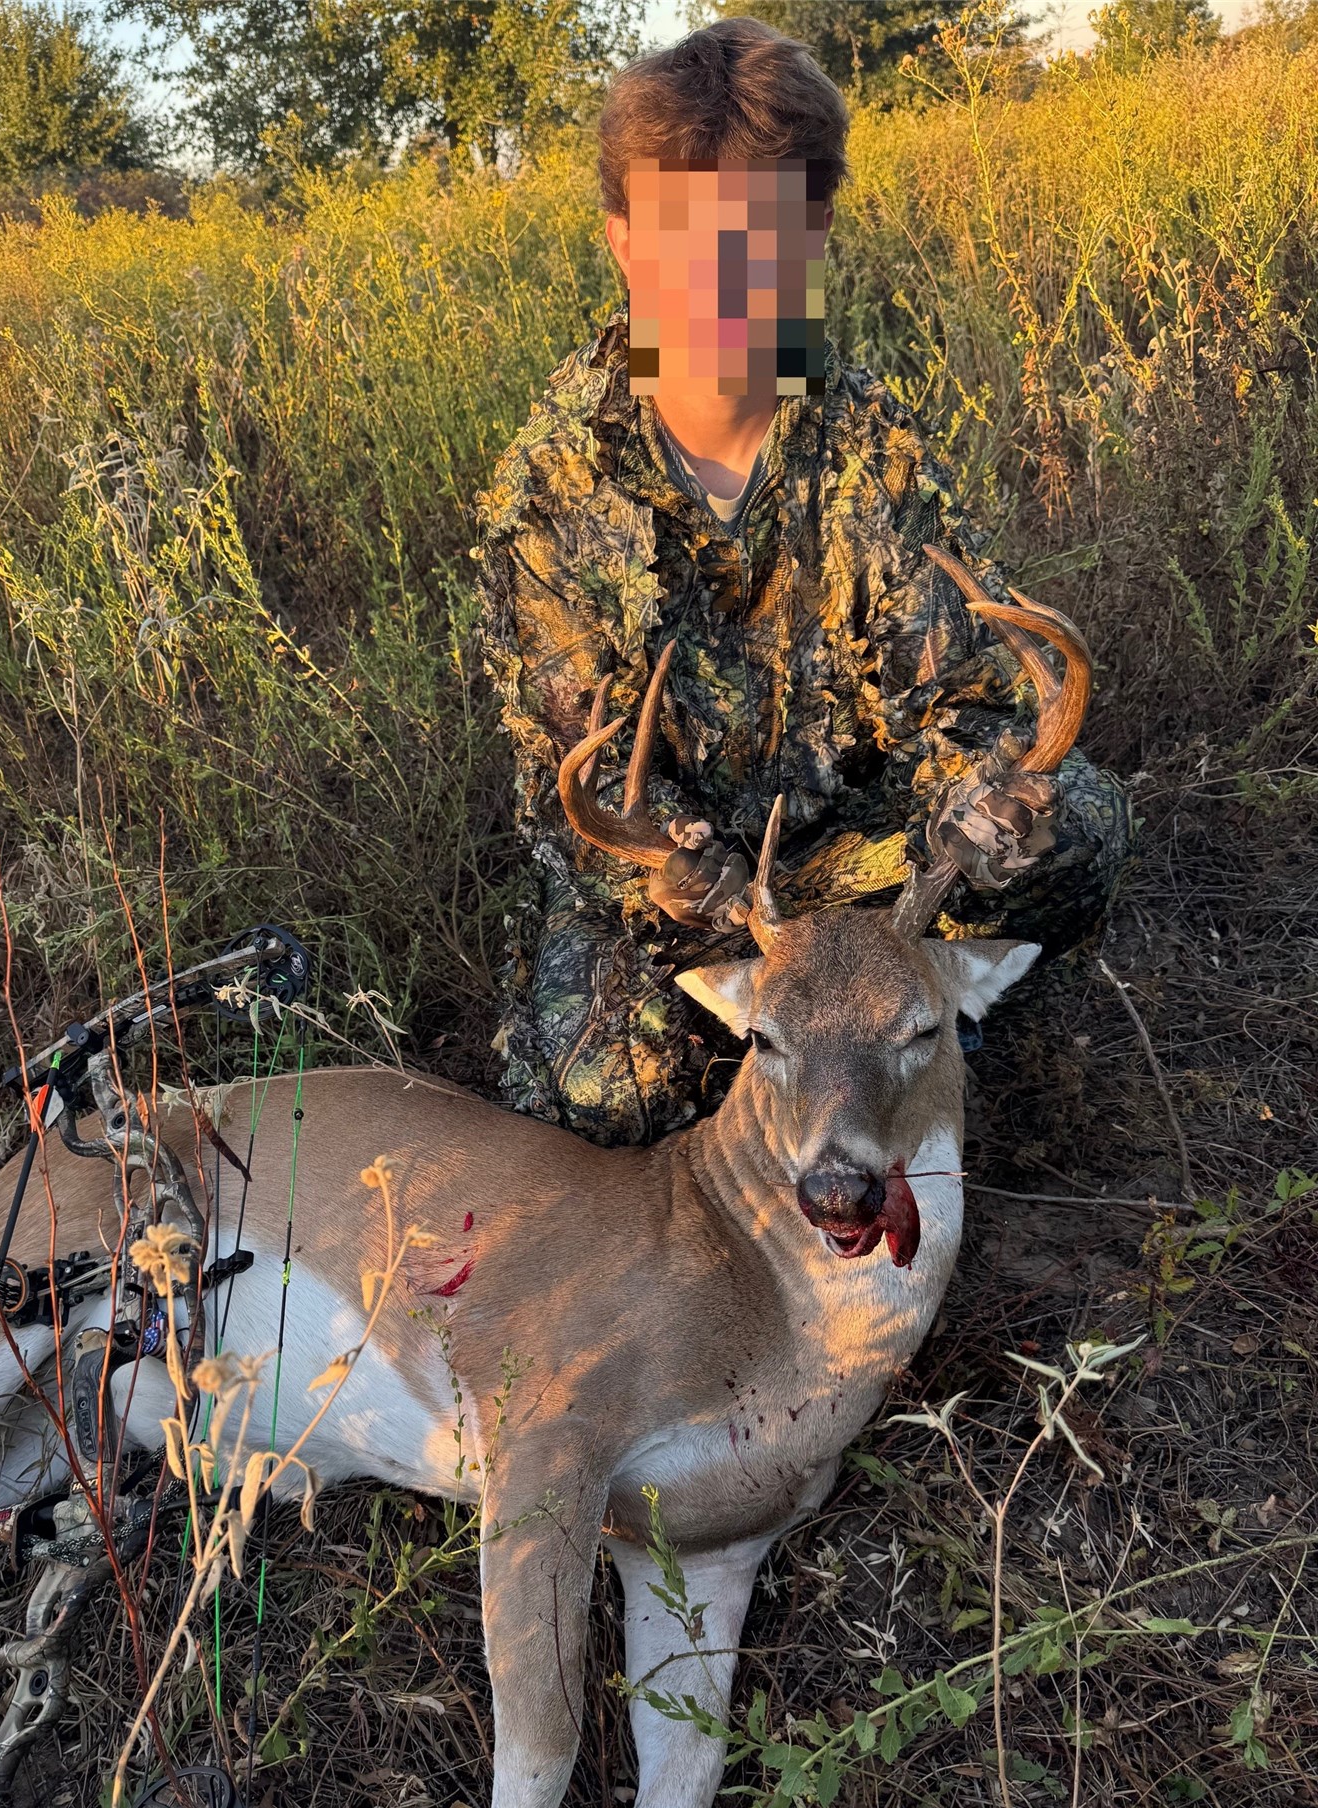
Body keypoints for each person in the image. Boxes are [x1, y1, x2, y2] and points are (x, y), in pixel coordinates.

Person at [474, 16, 1130, 1146]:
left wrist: (978, 798)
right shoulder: (553, 486)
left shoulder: (867, 435)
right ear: (624, 241)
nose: (723, 284)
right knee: (604, 1090)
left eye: (761, 241)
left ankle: (895, 1014)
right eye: (685, 241)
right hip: (700, 901)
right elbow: (573, 789)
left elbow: (969, 696)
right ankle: (878, 1021)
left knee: (1073, 827)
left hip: (874, 860)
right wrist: (695, 883)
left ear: (812, 236)